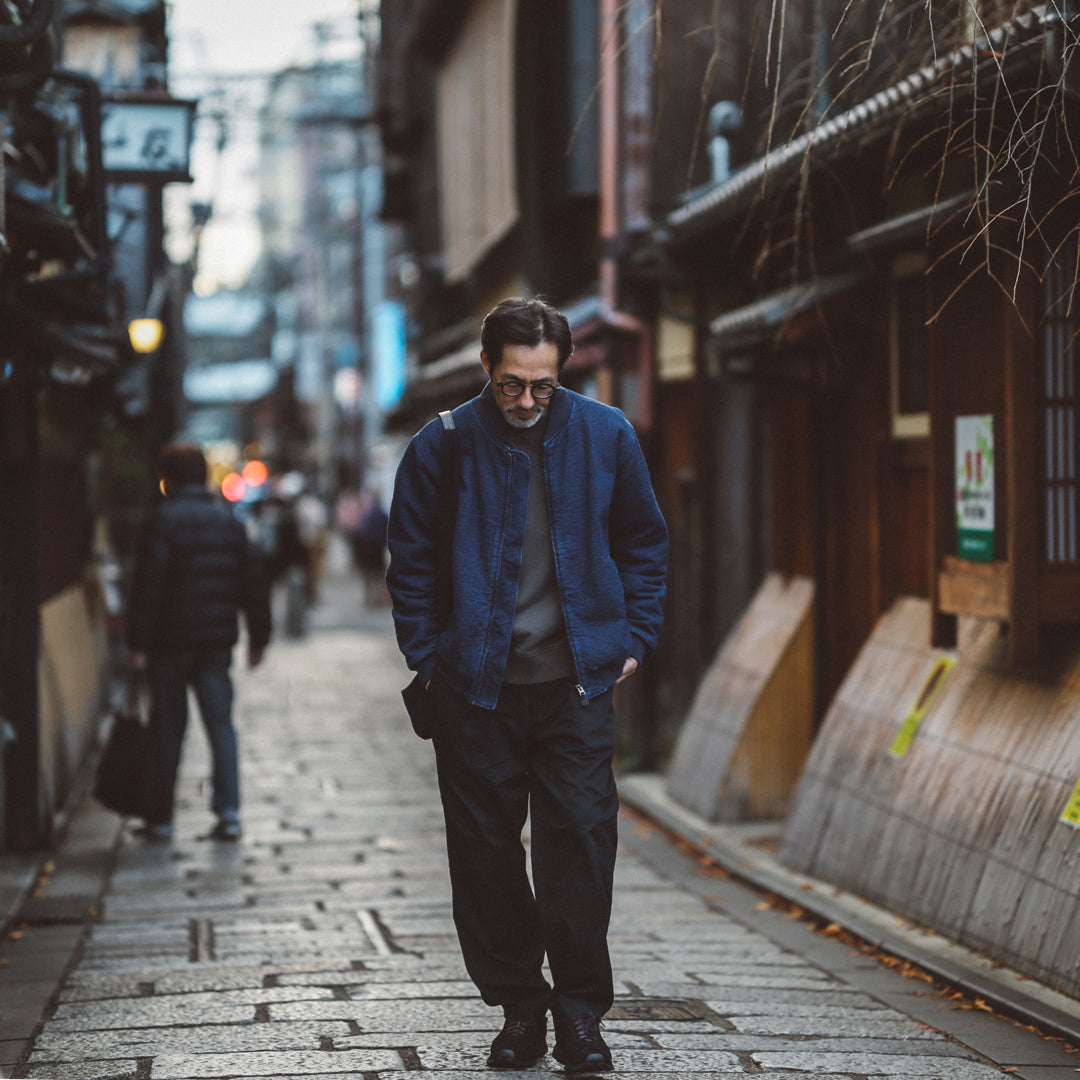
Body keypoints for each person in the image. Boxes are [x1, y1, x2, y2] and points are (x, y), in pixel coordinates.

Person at [386, 297, 668, 1072]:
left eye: (542, 385)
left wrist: (634, 639)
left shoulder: (606, 435)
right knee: (484, 857)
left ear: (563, 371)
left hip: (576, 688)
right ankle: (520, 1008)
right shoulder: (441, 446)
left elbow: (644, 543)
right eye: (512, 383)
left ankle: (580, 1014)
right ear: (487, 367)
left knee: (580, 846)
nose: (526, 401)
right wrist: (429, 657)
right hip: (475, 692)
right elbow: (407, 562)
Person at [126, 442, 272, 842]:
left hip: (169, 644)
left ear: (169, 479)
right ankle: (229, 813)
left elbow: (148, 586)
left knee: (168, 728)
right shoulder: (229, 522)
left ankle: (161, 818)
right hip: (215, 644)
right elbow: (253, 584)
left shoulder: (162, 521)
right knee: (220, 725)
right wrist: (259, 638)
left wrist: (137, 643)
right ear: (204, 475)